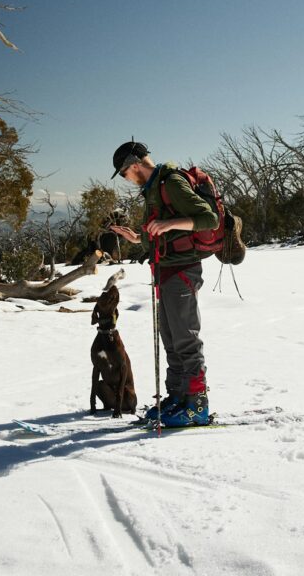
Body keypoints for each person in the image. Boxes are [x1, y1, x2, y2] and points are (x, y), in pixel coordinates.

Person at [108, 141, 217, 427]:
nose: (126, 179)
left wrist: (170, 225)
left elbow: (209, 219)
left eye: (123, 173)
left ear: (133, 165)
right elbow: (160, 231)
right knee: (170, 338)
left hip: (183, 270)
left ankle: (197, 405)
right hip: (166, 271)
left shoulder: (171, 183)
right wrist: (137, 238)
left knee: (186, 338)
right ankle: (178, 397)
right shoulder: (154, 188)